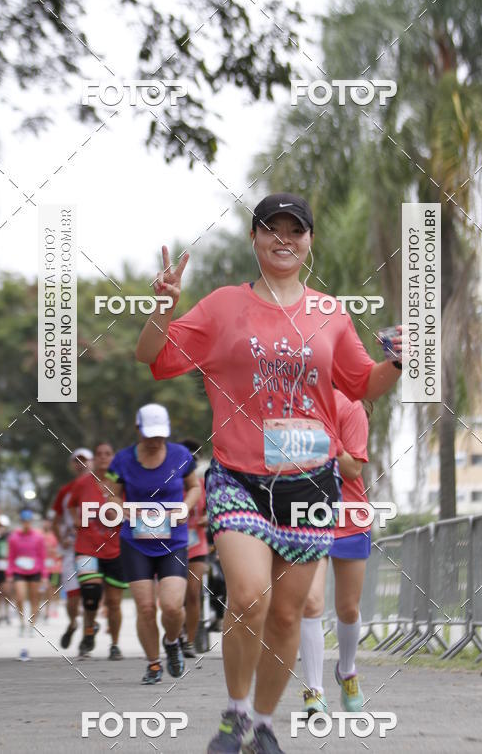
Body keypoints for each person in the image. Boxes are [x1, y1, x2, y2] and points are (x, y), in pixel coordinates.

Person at [135, 192, 402, 754]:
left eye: (295, 230)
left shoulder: (330, 313)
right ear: (254, 238)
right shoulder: (223, 307)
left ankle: (261, 725)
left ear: (309, 241)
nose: (284, 239)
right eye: (271, 229)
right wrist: (164, 305)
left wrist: (399, 361)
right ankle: (234, 714)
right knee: (250, 597)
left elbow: (363, 383)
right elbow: (152, 356)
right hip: (240, 478)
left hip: (311, 482)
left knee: (286, 615)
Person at [105, 404, 202, 683]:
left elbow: (195, 487)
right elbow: (111, 494)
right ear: (138, 430)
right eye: (150, 435)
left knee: (172, 606)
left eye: (160, 435)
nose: (155, 441)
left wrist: (185, 507)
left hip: (173, 541)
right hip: (136, 542)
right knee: (146, 607)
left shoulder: (181, 456)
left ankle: (171, 642)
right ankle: (153, 664)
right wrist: (122, 509)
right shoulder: (122, 460)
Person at [299, 392, 372, 716]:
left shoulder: (350, 408)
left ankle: (347, 670)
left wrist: (325, 439)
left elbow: (353, 469)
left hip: (349, 518)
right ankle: (314, 690)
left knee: (348, 608)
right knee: (310, 603)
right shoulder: (293, 405)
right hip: (305, 516)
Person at [67, 442, 128, 660]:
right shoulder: (83, 483)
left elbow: (132, 508)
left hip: (116, 548)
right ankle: (89, 631)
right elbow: (71, 504)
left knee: (114, 602)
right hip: (87, 547)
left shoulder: (123, 484)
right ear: (94, 458)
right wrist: (76, 520)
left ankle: (115, 644)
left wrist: (122, 514)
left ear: (114, 458)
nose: (103, 457)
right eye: (99, 454)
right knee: (90, 594)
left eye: (108, 454)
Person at [52, 448, 93, 648]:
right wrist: (62, 540)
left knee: (91, 592)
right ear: (72, 465)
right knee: (73, 595)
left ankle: (88, 634)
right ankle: (73, 623)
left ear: (92, 463)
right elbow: (55, 521)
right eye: (77, 461)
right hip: (72, 548)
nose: (81, 464)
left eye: (84, 460)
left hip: (93, 548)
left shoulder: (101, 487)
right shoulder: (65, 491)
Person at [179, 437, 209, 658]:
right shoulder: (169, 484)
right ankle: (175, 634)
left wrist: (207, 518)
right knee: (174, 598)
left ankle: (189, 642)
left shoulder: (203, 485)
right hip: (171, 546)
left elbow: (212, 509)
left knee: (193, 593)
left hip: (197, 545)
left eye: (194, 460)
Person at [7, 509, 47, 641]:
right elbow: (11, 556)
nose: (26, 524)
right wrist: (9, 573)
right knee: (20, 597)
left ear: (31, 522)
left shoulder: (38, 537)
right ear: (21, 521)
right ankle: (21, 623)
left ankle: (32, 625)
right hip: (19, 571)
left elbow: (42, 556)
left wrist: (44, 575)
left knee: (35, 599)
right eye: (24, 521)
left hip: (35, 571)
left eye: (28, 521)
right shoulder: (14, 537)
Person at [41, 516, 62, 620]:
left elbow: (60, 551)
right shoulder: (39, 535)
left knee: (53, 589)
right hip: (43, 567)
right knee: (45, 589)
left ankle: (54, 608)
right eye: (45, 522)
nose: (46, 524)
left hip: (55, 568)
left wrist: (53, 551)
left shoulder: (55, 536)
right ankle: (46, 609)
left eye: (48, 522)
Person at [0, 516, 11, 625]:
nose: (1, 528)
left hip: (6, 566)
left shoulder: (9, 537)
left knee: (6, 591)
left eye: (3, 526)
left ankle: (7, 613)